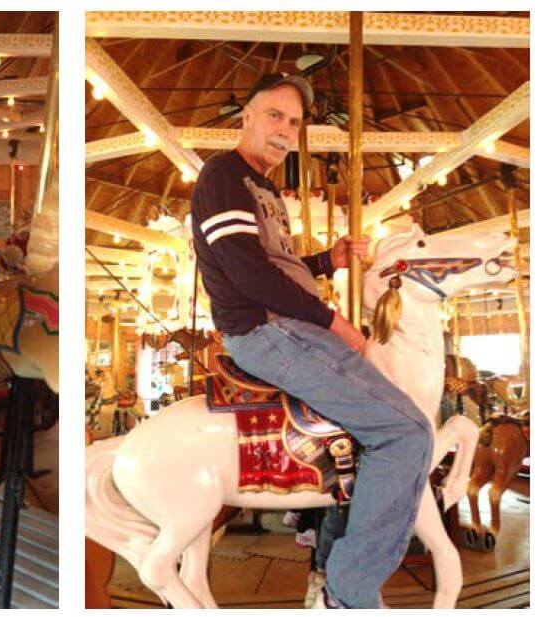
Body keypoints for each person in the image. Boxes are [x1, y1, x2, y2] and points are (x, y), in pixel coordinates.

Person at [190, 73, 433, 608]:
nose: (284, 130)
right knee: (408, 432)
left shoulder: (266, 188)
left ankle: (331, 564)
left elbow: (280, 266)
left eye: (295, 123)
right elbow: (252, 277)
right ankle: (348, 592)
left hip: (284, 323)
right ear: (247, 116)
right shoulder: (222, 176)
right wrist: (336, 323)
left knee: (383, 430)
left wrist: (329, 261)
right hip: (265, 330)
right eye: (274, 115)